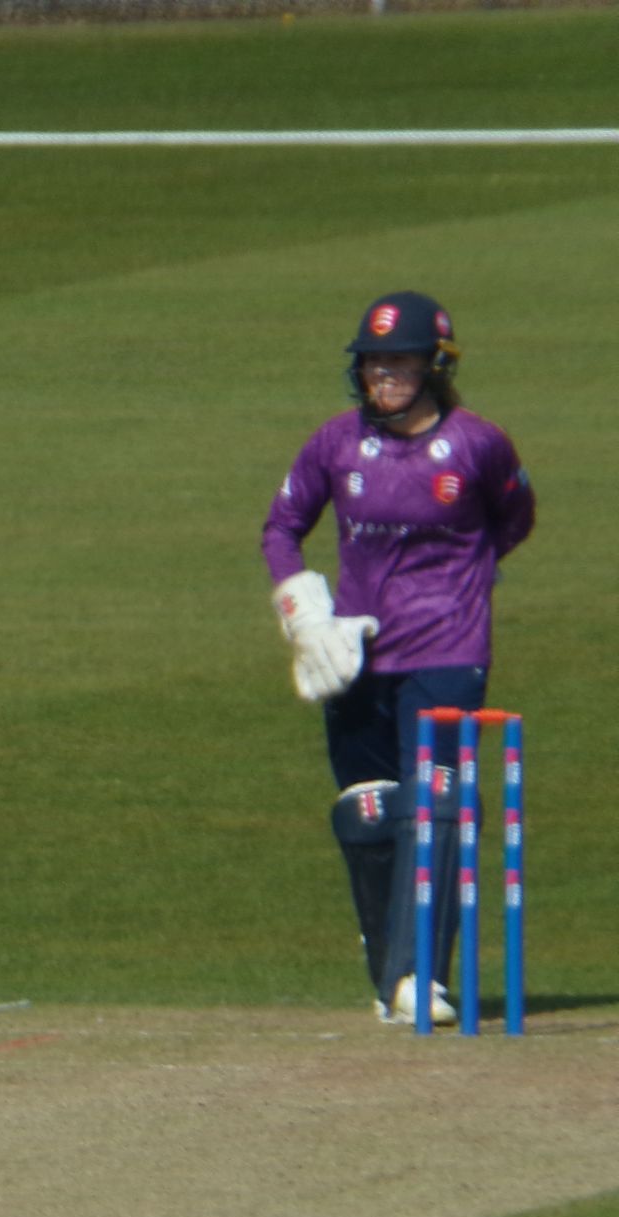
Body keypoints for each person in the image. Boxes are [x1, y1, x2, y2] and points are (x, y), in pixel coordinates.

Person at [262, 290, 535, 1024]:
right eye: (373, 361)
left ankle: (423, 976)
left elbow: (515, 517)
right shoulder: (336, 444)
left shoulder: (477, 444)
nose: (383, 373)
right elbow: (282, 526)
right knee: (367, 812)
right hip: (357, 652)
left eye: (400, 361)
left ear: (434, 367)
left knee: (436, 802)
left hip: (449, 651)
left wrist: (467, 580)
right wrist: (305, 614)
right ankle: (393, 982)